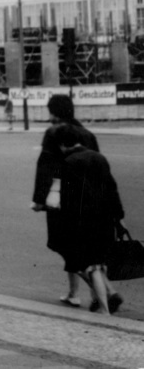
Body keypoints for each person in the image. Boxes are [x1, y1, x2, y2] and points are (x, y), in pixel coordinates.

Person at [31, 93, 105, 308]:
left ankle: (103, 291)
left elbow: (45, 167)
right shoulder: (87, 133)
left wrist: (38, 200)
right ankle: (74, 292)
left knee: (63, 244)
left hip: (59, 197)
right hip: (88, 198)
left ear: (53, 111)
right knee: (78, 245)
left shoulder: (54, 133)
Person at [53, 122, 126, 315]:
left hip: (84, 222)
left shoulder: (68, 163)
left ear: (62, 144)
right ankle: (105, 302)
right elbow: (112, 190)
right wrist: (119, 218)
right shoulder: (99, 157)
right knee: (99, 265)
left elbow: (67, 200)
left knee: (92, 267)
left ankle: (104, 308)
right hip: (105, 219)